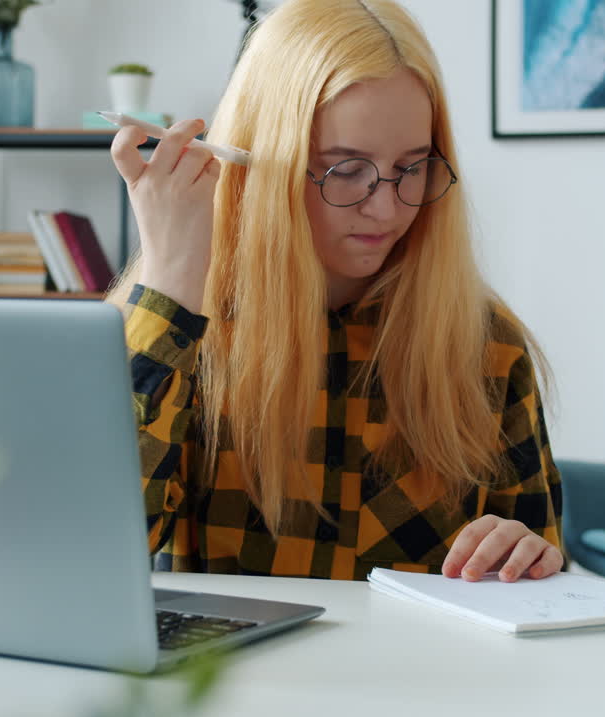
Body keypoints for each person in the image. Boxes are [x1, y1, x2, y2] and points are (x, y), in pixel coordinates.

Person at [106, 0, 563, 583]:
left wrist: (527, 555)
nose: (387, 208)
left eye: (413, 166)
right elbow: (88, 551)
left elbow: (545, 595)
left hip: (420, 676)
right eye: (346, 169)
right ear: (257, 164)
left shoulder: (487, 347)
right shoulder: (172, 330)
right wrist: (169, 279)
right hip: (221, 675)